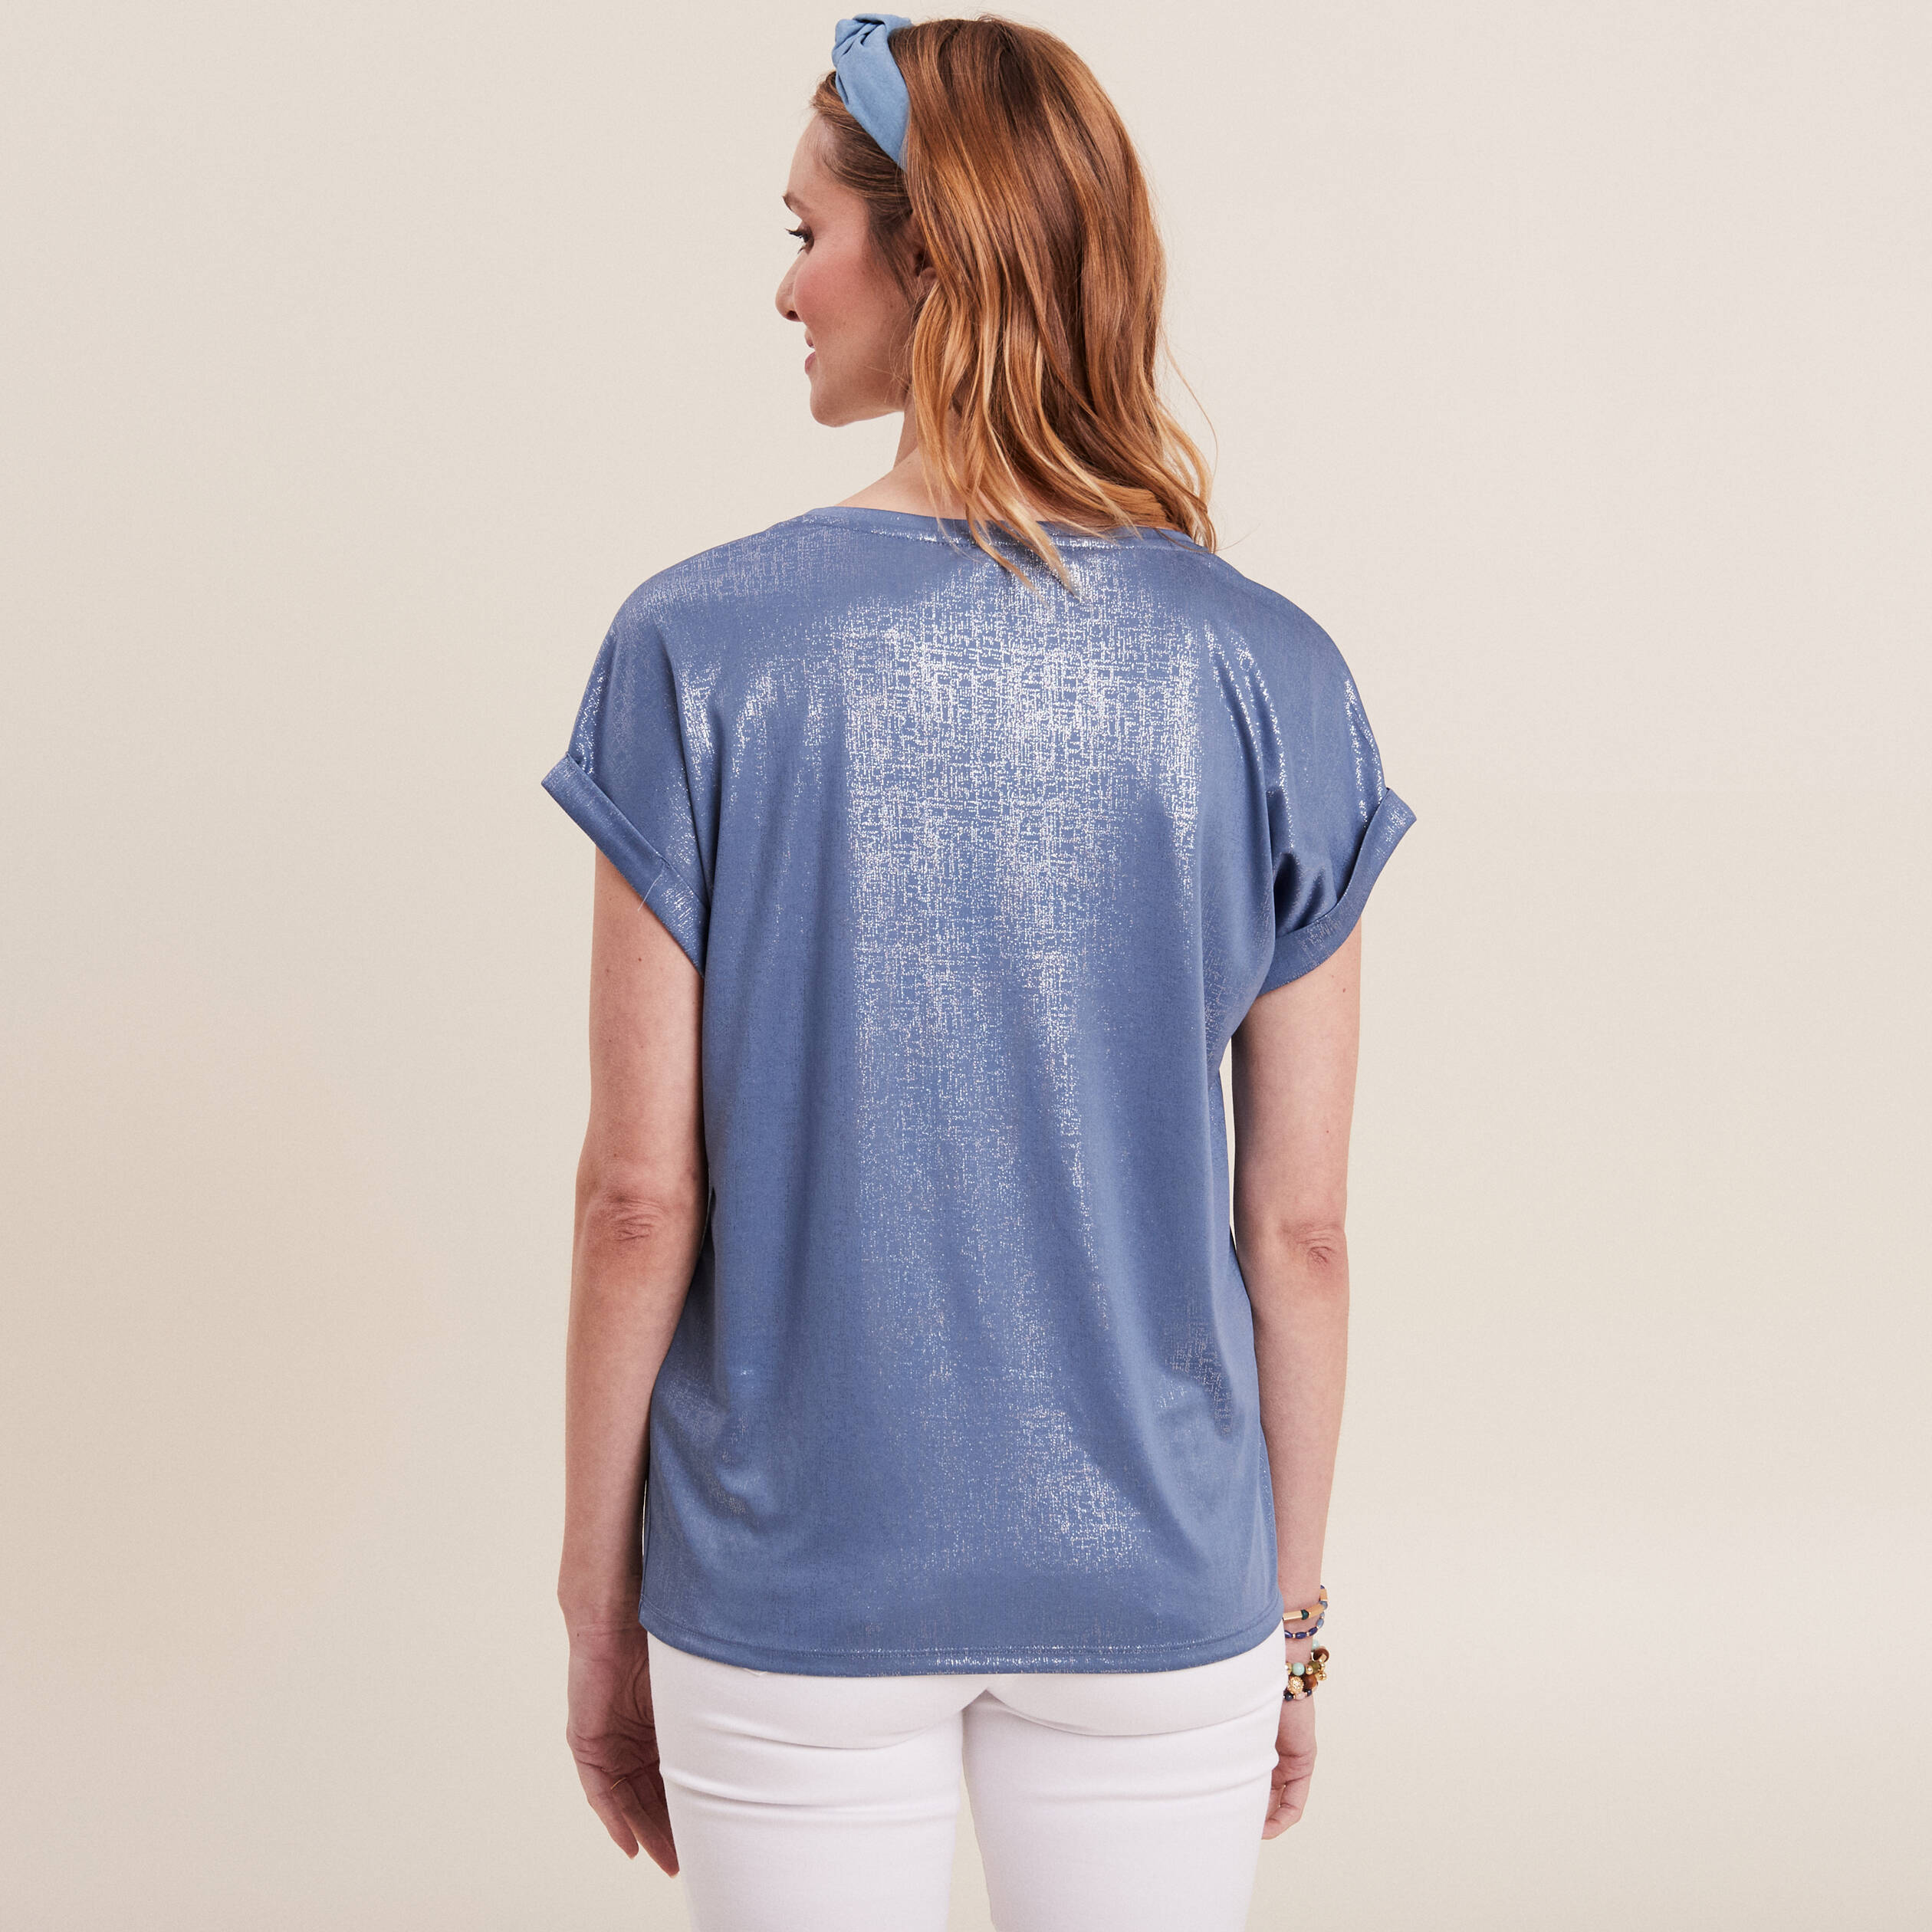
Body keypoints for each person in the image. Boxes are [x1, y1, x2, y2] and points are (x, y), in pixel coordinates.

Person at [538, 15, 1416, 1930]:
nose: (787, 288)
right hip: (1165, 1576)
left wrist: (597, 1604)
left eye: (809, 233)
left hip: (785, 1578)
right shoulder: (1273, 673)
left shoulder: (696, 650)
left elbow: (636, 1202)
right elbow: (1302, 1230)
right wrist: (1291, 1619)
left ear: (930, 250)